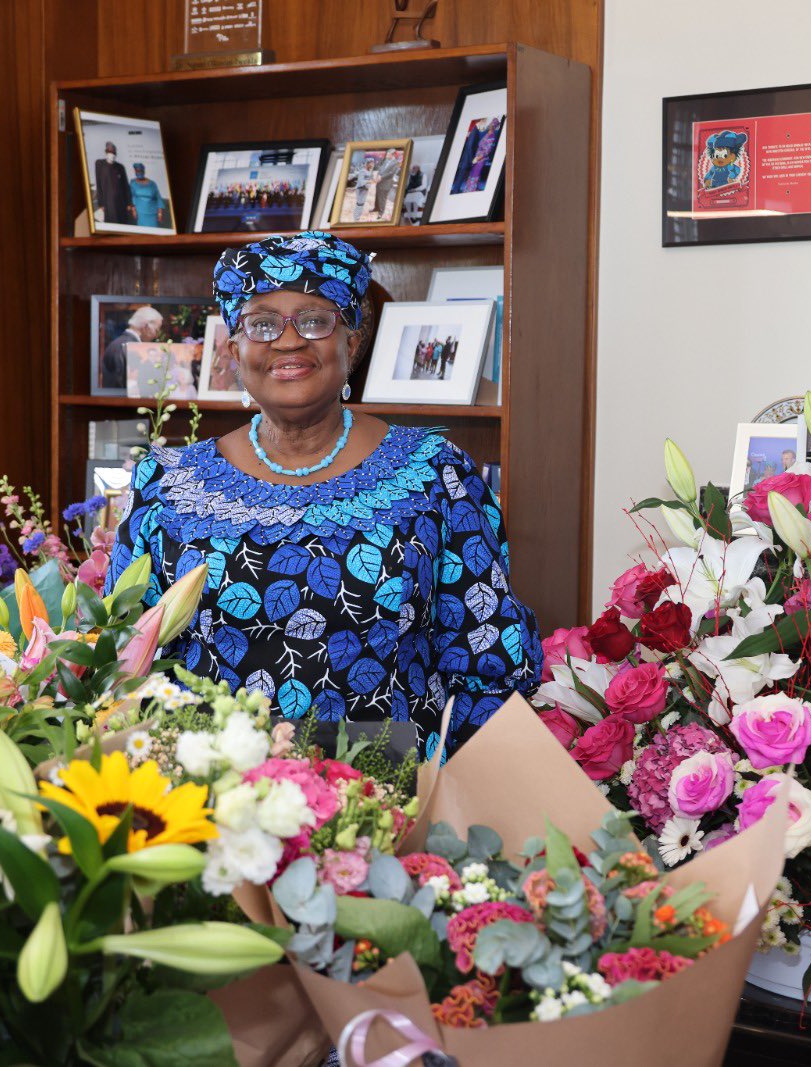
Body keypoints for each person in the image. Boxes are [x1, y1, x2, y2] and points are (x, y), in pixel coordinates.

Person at [107, 231, 541, 756]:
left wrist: (454, 810)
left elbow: (485, 661)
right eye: (262, 324)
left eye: (314, 319)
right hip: (215, 797)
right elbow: (126, 656)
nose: (288, 341)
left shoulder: (437, 476)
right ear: (233, 350)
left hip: (387, 796)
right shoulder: (165, 483)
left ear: (352, 343)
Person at [101, 306, 163, 390]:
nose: (156, 335)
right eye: (156, 330)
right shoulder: (128, 346)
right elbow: (121, 384)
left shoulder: (121, 343)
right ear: (146, 326)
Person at [94, 141, 129, 223]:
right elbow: (98, 184)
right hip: (107, 202)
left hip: (121, 202)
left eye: (113, 152)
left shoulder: (120, 167)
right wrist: (101, 204)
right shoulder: (99, 164)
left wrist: (128, 203)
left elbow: (125, 186)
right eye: (109, 151)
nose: (111, 153)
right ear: (106, 151)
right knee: (110, 221)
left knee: (122, 222)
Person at [127, 161, 167, 228]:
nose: (139, 172)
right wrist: (133, 210)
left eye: (140, 170)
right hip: (140, 213)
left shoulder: (152, 183)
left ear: (144, 171)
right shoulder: (133, 183)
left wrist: (160, 213)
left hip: (153, 213)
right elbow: (132, 197)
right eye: (137, 171)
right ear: (135, 172)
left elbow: (158, 198)